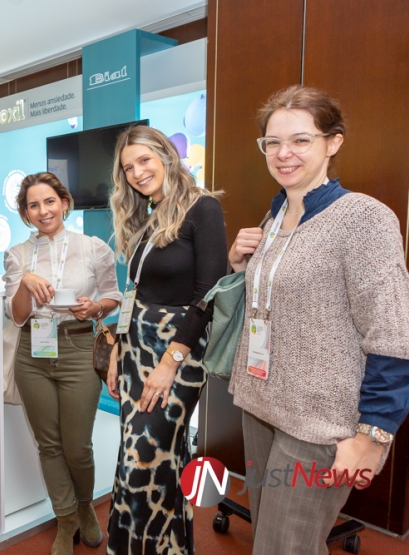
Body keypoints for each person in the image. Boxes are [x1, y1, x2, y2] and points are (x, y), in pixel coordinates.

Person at [227, 85, 409, 555]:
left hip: (318, 422)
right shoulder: (275, 215)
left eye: (300, 140)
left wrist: (372, 436)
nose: (283, 153)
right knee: (270, 539)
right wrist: (239, 266)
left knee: (283, 548)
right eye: (272, 142)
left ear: (333, 142)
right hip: (260, 405)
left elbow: (392, 335)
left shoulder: (363, 218)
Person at [105, 125, 227, 554]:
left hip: (177, 353)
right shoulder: (147, 214)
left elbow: (207, 296)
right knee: (150, 459)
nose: (137, 172)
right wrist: (118, 347)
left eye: (144, 160)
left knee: (143, 461)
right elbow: (135, 290)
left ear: (166, 156)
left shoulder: (202, 207)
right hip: (136, 347)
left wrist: (169, 363)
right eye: (128, 167)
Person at [2, 172, 121, 555]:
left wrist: (95, 307)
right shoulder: (17, 255)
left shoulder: (93, 248)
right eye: (33, 205)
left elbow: (114, 296)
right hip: (32, 353)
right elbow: (17, 316)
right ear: (25, 213)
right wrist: (25, 282)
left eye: (49, 201)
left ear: (64, 203)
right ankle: (66, 518)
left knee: (77, 446)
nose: (43, 211)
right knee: (49, 445)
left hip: (78, 348)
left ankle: (85, 507)